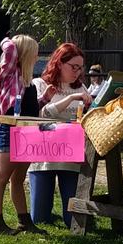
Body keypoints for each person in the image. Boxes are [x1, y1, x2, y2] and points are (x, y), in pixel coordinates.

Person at [0, 35, 47, 235]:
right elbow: (8, 47)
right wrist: (12, 41)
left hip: (27, 130)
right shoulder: (9, 74)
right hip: (10, 129)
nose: (38, 56)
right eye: (35, 52)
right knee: (2, 176)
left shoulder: (28, 80)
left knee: (19, 177)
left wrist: (44, 100)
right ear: (24, 54)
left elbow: (29, 108)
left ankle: (24, 221)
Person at [30, 43, 92, 227]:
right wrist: (71, 98)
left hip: (70, 155)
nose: (78, 72)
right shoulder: (40, 84)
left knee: (71, 219)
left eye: (80, 68)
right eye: (74, 66)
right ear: (59, 63)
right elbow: (41, 114)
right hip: (43, 155)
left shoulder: (82, 88)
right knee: (39, 218)